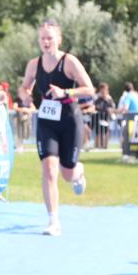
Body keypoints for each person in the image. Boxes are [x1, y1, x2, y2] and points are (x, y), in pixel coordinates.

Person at [18, 20, 95, 236]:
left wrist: (66, 92)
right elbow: (25, 87)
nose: (45, 41)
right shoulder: (34, 64)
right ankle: (54, 221)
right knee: (49, 170)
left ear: (58, 39)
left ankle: (78, 172)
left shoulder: (69, 62)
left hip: (69, 118)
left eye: (50, 38)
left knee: (67, 173)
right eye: (42, 38)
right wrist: (25, 96)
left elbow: (89, 89)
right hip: (47, 119)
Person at [93, 82, 115, 149]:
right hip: (98, 119)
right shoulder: (97, 100)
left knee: (106, 133)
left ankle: (106, 146)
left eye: (105, 90)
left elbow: (112, 108)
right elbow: (95, 107)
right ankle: (98, 146)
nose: (103, 91)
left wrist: (110, 111)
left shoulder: (110, 100)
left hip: (107, 119)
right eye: (102, 90)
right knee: (98, 133)